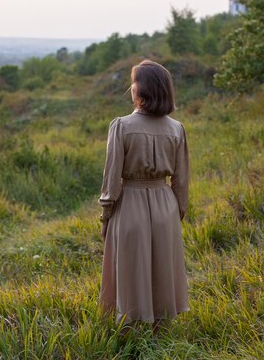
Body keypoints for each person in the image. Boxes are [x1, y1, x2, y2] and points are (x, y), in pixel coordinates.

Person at [98, 59, 190, 330]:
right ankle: (160, 325)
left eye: (134, 81)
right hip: (165, 204)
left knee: (130, 266)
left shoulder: (121, 126)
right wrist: (177, 213)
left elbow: (112, 178)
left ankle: (130, 325)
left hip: (130, 204)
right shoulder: (177, 129)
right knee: (162, 265)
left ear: (142, 89)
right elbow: (181, 181)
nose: (131, 87)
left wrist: (106, 215)